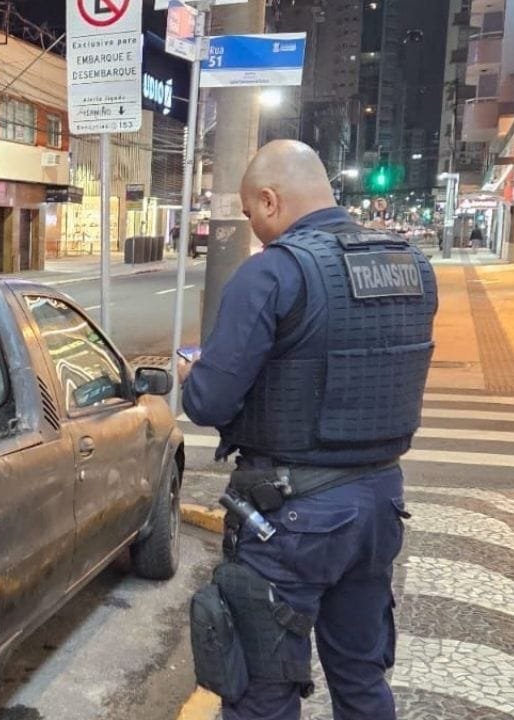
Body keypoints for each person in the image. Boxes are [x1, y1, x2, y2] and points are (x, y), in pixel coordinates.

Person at [179, 141, 437, 720]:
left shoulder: (272, 272)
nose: (253, 227)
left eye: (250, 214)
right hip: (379, 505)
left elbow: (209, 400)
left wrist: (193, 375)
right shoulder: (411, 265)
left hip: (291, 519)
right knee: (362, 680)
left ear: (269, 200)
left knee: (260, 696)